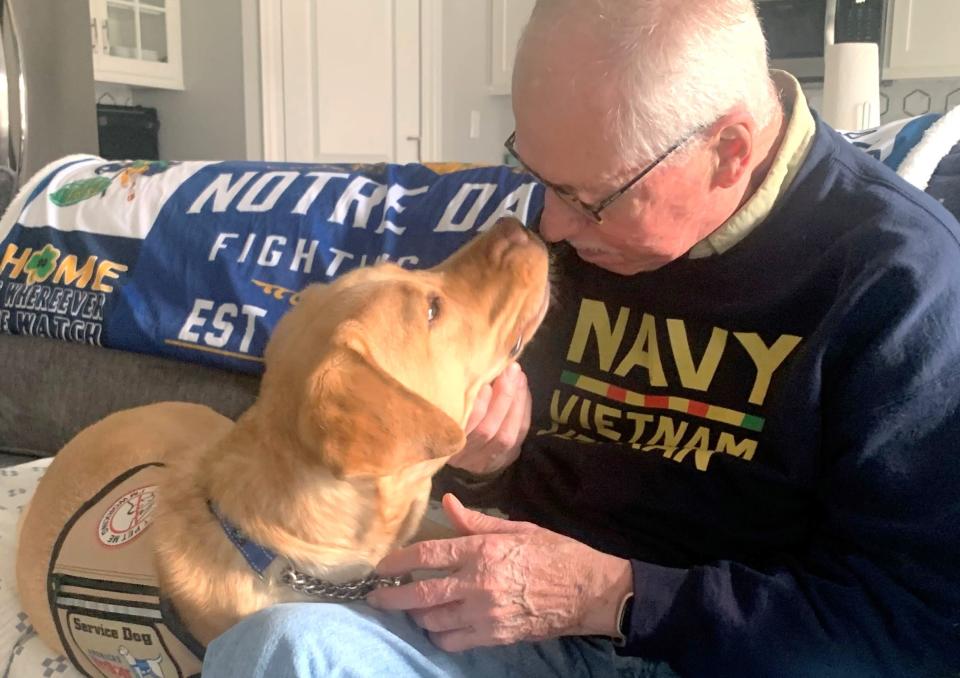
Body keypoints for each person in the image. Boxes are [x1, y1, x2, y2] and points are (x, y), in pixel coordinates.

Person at [203, 0, 960, 675]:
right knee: (279, 647)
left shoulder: (904, 282)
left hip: (718, 653)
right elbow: (499, 460)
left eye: (587, 198)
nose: (551, 227)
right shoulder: (588, 229)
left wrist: (611, 596)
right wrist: (487, 460)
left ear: (729, 152)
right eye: (536, 176)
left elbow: (920, 628)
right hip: (515, 627)